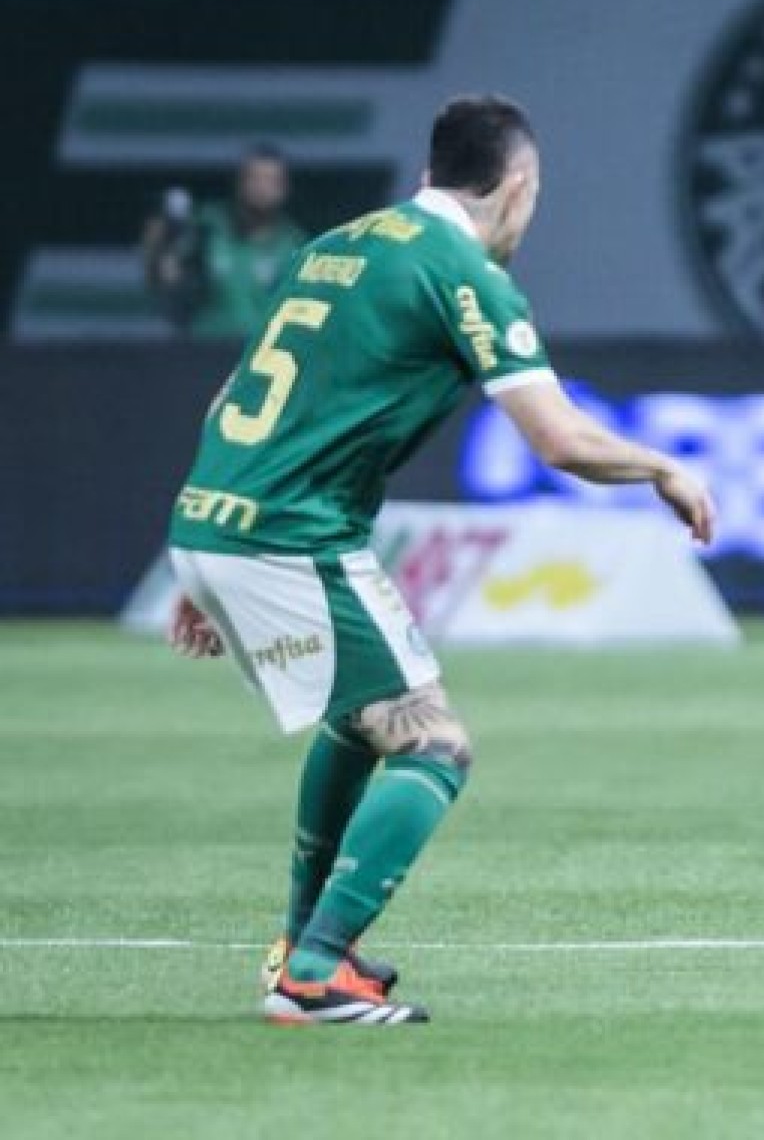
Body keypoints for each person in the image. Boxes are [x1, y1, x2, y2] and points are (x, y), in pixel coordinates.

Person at [165, 95, 715, 1024]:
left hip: (221, 518)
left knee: (358, 718)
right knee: (433, 743)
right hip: (292, 534)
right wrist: (660, 464)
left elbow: (230, 396)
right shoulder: (462, 271)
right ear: (519, 184)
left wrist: (196, 555)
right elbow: (558, 439)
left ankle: (300, 948)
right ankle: (315, 973)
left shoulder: (333, 246)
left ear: (428, 173)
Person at [142, 143, 307, 340]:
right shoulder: (206, 226)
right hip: (203, 348)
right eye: (253, 178)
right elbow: (166, 276)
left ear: (285, 189)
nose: (261, 188)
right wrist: (158, 250)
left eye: (271, 181)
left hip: (260, 357)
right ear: (239, 182)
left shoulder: (297, 245)